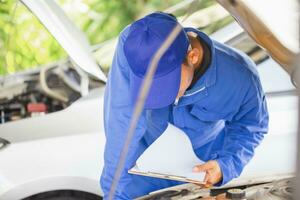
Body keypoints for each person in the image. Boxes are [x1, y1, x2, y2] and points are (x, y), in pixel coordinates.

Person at [100, 12, 269, 199]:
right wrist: (113, 191)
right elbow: (122, 123)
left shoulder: (241, 79)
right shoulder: (135, 45)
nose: (163, 96)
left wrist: (225, 165)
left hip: (197, 172)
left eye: (167, 85)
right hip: (141, 167)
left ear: (193, 56)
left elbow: (251, 128)